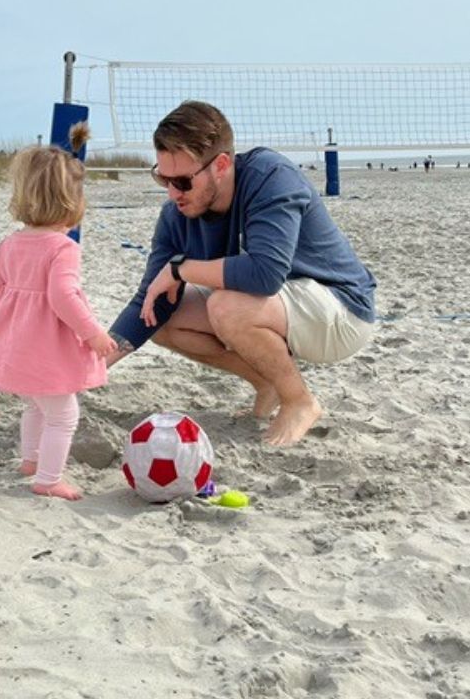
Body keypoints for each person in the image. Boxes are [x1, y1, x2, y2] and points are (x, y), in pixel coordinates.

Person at [107, 101, 376, 447]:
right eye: (162, 178)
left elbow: (265, 274)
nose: (172, 192)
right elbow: (149, 302)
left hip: (342, 311)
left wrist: (181, 268)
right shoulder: (176, 213)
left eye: (182, 181)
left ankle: (299, 401)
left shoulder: (270, 177)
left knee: (226, 305)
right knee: (163, 314)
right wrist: (89, 367)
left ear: (220, 165)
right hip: (278, 308)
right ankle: (267, 383)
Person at [0, 125, 117, 500]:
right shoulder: (62, 248)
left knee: (36, 406)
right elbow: (63, 297)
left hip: (16, 347)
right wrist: (93, 334)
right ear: (72, 204)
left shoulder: (10, 243)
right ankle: (48, 478)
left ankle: (31, 460)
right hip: (46, 351)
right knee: (63, 414)